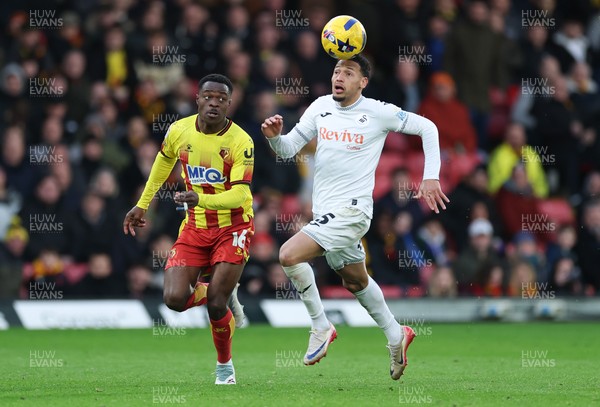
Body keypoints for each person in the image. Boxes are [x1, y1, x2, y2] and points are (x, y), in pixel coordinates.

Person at [261, 55, 448, 380]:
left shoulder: (378, 112)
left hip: (352, 211)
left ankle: (320, 325)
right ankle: (395, 334)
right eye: (336, 71)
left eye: (348, 73)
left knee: (288, 254)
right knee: (356, 281)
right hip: (325, 213)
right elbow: (289, 149)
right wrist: (275, 136)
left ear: (362, 82)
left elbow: (427, 128)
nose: (339, 76)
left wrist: (430, 176)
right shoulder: (319, 106)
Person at [122, 74, 254, 385]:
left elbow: (242, 194)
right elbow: (163, 162)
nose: (214, 102)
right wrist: (143, 204)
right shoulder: (179, 130)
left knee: (217, 304)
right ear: (197, 99)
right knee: (174, 299)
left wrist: (200, 198)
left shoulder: (240, 141)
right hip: (194, 228)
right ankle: (217, 291)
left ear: (229, 104)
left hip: (232, 227)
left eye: (221, 99)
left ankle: (225, 367)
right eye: (208, 96)